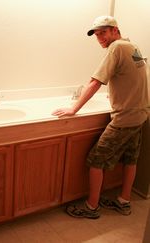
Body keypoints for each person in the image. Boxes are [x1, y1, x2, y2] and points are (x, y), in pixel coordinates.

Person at [52, 15, 149, 219]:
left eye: (103, 32)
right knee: (131, 159)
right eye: (96, 35)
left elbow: (96, 82)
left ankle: (91, 207)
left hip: (125, 118)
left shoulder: (116, 48)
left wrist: (73, 109)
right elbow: (121, 79)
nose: (100, 38)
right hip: (140, 115)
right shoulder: (133, 47)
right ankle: (124, 201)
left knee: (96, 160)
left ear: (115, 30)